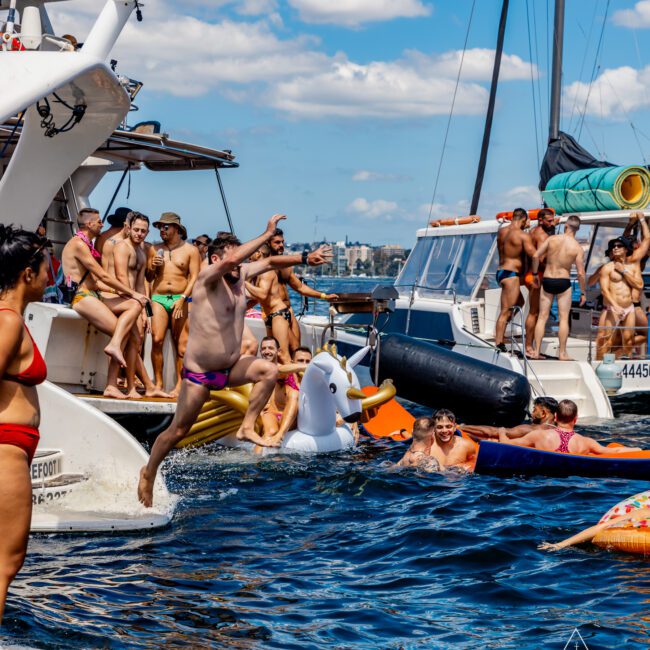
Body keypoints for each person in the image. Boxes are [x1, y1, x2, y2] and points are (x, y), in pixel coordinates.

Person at [138, 215, 333, 507]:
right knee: (178, 430)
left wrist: (306, 257)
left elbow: (269, 263)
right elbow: (234, 262)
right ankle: (149, 471)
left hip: (230, 369)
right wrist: (266, 234)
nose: (238, 264)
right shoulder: (208, 278)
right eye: (233, 257)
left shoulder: (239, 275)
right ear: (217, 258)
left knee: (268, 370)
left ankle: (246, 426)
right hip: (200, 374)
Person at [0, 224, 49, 624]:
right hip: (5, 448)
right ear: (27, 274)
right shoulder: (8, 321)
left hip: (15, 446)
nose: (52, 276)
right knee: (3, 565)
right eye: (45, 267)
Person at [61, 208, 150, 398]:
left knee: (134, 306)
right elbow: (101, 274)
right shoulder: (78, 244)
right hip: (81, 297)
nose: (102, 225)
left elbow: (97, 281)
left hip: (93, 293)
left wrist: (122, 294)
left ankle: (115, 347)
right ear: (89, 224)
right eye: (99, 221)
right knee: (124, 328)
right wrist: (132, 292)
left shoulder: (88, 244)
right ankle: (112, 384)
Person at [113, 213, 169, 399]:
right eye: (136, 230)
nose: (139, 234)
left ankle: (133, 387)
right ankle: (133, 387)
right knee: (132, 343)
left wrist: (146, 312)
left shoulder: (143, 251)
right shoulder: (122, 247)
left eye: (143, 231)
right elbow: (121, 278)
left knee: (135, 345)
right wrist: (136, 304)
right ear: (128, 228)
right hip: (124, 300)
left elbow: (145, 281)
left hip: (137, 303)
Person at [264, 228, 338, 363]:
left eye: (282, 242)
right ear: (268, 243)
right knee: (283, 354)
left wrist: (324, 296)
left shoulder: (285, 265)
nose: (281, 245)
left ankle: (295, 382)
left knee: (297, 350)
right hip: (275, 314)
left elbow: (300, 287)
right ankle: (286, 382)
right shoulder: (262, 265)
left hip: (289, 311)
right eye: (277, 242)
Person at [148, 212, 201, 397]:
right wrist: (152, 266)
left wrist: (183, 298)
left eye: (166, 226)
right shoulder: (154, 249)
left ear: (176, 229)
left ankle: (179, 385)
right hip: (159, 298)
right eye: (160, 227)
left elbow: (195, 277)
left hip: (181, 298)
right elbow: (148, 277)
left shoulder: (191, 250)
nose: (162, 230)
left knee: (181, 345)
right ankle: (158, 383)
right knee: (157, 339)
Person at [530, 215, 587, 360]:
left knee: (542, 317)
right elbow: (581, 273)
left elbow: (536, 256)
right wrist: (583, 292)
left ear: (566, 226)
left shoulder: (551, 239)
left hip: (548, 279)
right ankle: (562, 353)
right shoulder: (577, 248)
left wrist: (535, 274)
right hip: (563, 281)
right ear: (578, 229)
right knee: (563, 318)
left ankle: (536, 352)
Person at [498, 399, 641, 454]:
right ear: (576, 419)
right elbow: (615, 452)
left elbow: (506, 445)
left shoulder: (538, 436)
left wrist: (501, 432)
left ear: (555, 417)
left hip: (543, 483)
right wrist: (638, 449)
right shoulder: (585, 442)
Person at [494, 209, 537, 352]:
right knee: (505, 311)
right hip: (511, 275)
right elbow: (534, 255)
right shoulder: (522, 235)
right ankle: (499, 343)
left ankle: (502, 331)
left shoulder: (502, 231)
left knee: (520, 302)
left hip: (501, 272)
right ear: (524, 219)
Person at [597, 237, 644, 358]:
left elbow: (639, 285)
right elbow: (604, 290)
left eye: (619, 246)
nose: (615, 248)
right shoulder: (607, 268)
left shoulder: (633, 267)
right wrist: (615, 306)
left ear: (626, 249)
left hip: (629, 308)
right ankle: (597, 366)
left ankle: (625, 365)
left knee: (628, 340)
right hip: (613, 308)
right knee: (607, 340)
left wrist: (623, 271)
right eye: (613, 246)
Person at [258, 336, 305, 444]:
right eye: (264, 348)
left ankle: (280, 435)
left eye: (270, 348)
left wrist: (304, 367)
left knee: (294, 393)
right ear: (260, 351)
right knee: (270, 432)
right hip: (271, 414)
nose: (267, 351)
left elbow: (279, 371)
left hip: (289, 417)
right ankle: (254, 461)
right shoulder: (259, 369)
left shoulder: (285, 369)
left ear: (278, 351)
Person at [524, 209, 556, 356]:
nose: (552, 222)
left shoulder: (533, 231)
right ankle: (529, 347)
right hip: (537, 275)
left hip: (530, 274)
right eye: (549, 221)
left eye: (553, 220)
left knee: (535, 312)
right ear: (541, 220)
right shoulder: (542, 235)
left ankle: (530, 345)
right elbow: (541, 259)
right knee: (534, 313)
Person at [461, 396, 559, 441]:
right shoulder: (559, 430)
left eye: (534, 410)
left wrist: (462, 427)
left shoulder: (532, 429)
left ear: (543, 413)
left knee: (494, 438)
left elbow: (492, 432)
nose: (531, 413)